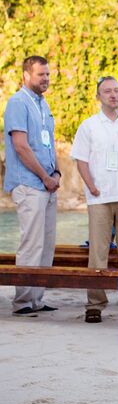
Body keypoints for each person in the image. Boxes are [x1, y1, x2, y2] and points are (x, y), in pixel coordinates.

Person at [70, 76, 118, 323]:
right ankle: (95, 304)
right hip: (99, 199)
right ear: (99, 96)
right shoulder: (89, 126)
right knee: (98, 253)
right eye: (107, 91)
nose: (113, 95)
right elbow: (81, 160)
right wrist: (91, 186)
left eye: (116, 90)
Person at [3, 56, 61, 317]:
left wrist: (57, 172)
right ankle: (23, 301)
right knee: (31, 242)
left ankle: (37, 297)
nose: (46, 79)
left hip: (48, 184)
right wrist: (45, 177)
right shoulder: (18, 102)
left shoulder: (44, 103)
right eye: (41, 75)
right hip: (29, 184)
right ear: (27, 75)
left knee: (47, 243)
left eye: (48, 74)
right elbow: (21, 146)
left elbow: (50, 144)